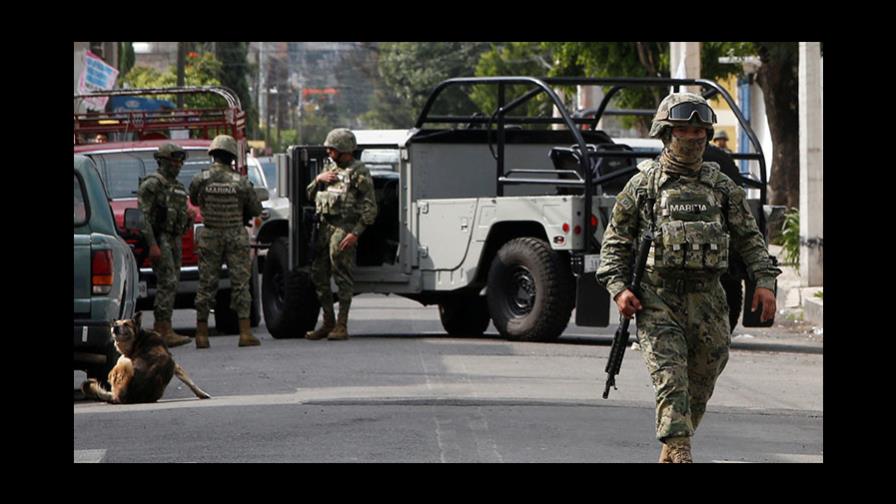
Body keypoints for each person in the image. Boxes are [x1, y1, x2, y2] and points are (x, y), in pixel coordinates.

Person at [596, 93, 780, 463]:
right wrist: (619, 289)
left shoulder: (721, 187)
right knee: (671, 377)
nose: (693, 137)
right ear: (666, 133)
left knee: (703, 377)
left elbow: (749, 239)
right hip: (657, 298)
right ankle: (679, 448)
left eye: (700, 130)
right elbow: (614, 246)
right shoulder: (642, 187)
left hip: (709, 299)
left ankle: (672, 445)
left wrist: (764, 281)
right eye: (684, 129)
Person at [189, 135, 263, 348]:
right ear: (232, 157)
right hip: (235, 235)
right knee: (241, 283)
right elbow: (255, 208)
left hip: (210, 234)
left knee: (206, 284)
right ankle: (245, 333)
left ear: (213, 155)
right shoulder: (240, 181)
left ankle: (201, 334)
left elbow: (194, 200)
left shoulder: (201, 179)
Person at [304, 128, 377, 341]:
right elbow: (309, 195)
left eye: (332, 148)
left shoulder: (358, 172)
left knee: (341, 274)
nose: (328, 151)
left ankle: (342, 325)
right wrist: (319, 179)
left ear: (344, 150)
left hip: (344, 229)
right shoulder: (328, 169)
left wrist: (355, 233)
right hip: (325, 228)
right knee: (318, 274)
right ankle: (328, 322)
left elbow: (370, 207)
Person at [137, 143, 194, 348]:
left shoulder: (178, 187)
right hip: (160, 238)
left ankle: (166, 326)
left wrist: (188, 217)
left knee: (172, 281)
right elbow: (143, 217)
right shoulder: (152, 185)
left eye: (180, 161)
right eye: (174, 161)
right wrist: (153, 245)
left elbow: (180, 219)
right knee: (167, 281)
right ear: (162, 161)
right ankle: (161, 328)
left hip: (174, 239)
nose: (178, 165)